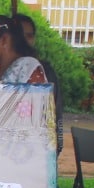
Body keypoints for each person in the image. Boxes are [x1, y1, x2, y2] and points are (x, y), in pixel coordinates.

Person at [13, 14, 64, 151]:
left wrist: (57, 144)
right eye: (21, 36)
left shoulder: (45, 70)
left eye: (29, 36)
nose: (25, 41)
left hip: (38, 149)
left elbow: (55, 110)